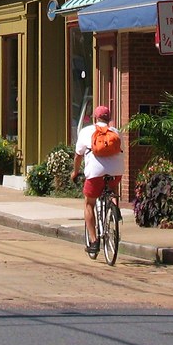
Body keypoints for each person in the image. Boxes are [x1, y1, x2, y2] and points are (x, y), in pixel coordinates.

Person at [70, 105, 125, 254]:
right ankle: (114, 207)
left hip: (95, 173)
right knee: (112, 186)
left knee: (89, 203)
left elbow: (78, 156)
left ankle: (94, 241)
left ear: (95, 118)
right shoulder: (116, 132)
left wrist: (75, 172)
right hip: (116, 172)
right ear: (109, 118)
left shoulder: (86, 131)